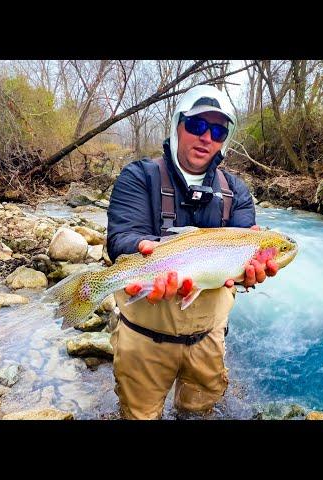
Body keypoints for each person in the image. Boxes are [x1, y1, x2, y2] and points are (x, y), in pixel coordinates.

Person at [106, 84, 278, 419]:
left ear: (224, 139)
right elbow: (121, 238)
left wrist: (251, 273)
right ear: (178, 125)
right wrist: (140, 248)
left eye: (217, 131)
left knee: (199, 413)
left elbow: (244, 254)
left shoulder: (236, 191)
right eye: (198, 126)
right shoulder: (138, 176)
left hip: (207, 340)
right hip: (144, 340)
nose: (206, 138)